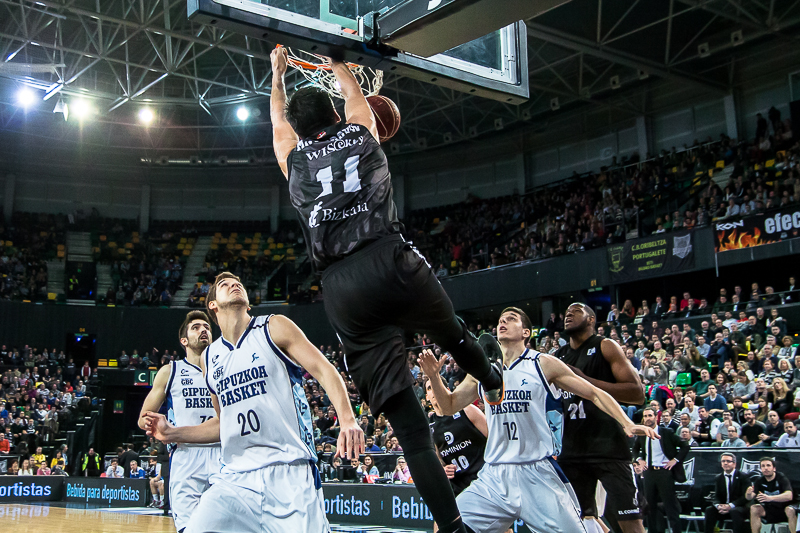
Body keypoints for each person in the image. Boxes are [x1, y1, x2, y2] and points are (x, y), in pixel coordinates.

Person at [269, 47, 502, 533]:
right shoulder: (360, 130)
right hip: (388, 255)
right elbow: (355, 99)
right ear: (335, 113)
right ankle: (491, 377)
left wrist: (277, 76)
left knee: (414, 435)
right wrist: (337, 62)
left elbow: (278, 126)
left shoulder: (293, 161)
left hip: (342, 286)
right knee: (452, 332)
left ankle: (453, 528)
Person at [144, 272, 364, 533]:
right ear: (213, 304)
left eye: (238, 283)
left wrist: (348, 419)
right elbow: (223, 423)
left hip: (289, 471)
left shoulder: (274, 327)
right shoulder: (210, 357)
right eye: (224, 285)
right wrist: (172, 433)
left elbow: (325, 370)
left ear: (248, 303)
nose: (234, 285)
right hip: (235, 478)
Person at [418, 306, 656, 533]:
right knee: (450, 526)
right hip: (495, 475)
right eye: (501, 319)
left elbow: (593, 392)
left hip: (536, 473)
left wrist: (627, 422)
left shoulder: (542, 363)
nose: (503, 321)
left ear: (525, 333)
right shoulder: (482, 369)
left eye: (511, 318)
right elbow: (449, 405)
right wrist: (434, 377)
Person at [555, 302, 646, 533]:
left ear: (591, 319)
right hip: (572, 449)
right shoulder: (558, 356)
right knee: (579, 523)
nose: (569, 314)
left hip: (608, 446)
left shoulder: (605, 346)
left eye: (575, 311)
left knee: (630, 523)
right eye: (566, 312)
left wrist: (584, 380)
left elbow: (637, 394)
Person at [138, 310, 221, 533]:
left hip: (224, 451)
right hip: (187, 453)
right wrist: (151, 424)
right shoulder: (170, 371)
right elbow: (143, 417)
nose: (203, 330)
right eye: (196, 327)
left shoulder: (224, 367)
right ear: (184, 340)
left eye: (207, 327)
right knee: (188, 527)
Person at [423, 373, 488, 496]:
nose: (434, 391)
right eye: (429, 388)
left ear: (447, 390)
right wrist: (443, 469)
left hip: (484, 481)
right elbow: (439, 459)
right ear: (427, 397)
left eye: (437, 385)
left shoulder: (466, 410)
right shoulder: (431, 426)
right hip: (459, 489)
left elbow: (493, 438)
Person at [634, 408, 689, 533]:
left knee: (670, 506)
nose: (648, 418)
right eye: (645, 416)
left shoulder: (666, 432)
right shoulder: (642, 433)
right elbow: (635, 449)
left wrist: (675, 460)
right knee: (649, 507)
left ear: (656, 417)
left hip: (664, 472)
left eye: (650, 415)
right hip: (649, 473)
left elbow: (685, 446)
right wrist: (639, 459)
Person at [742, 457, 796, 533]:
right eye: (763, 466)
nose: (765, 468)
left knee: (790, 510)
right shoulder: (759, 480)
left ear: (774, 468)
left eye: (768, 465)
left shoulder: (781, 478)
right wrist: (748, 493)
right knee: (754, 508)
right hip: (768, 510)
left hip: (783, 509)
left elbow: (789, 495)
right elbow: (750, 497)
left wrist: (770, 498)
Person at [704, 452, 749, 533]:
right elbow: (716, 496)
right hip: (723, 508)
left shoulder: (743, 476)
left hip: (739, 507)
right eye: (723, 461)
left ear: (734, 464)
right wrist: (718, 506)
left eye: (728, 461)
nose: (725, 463)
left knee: (735, 511)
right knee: (709, 510)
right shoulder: (718, 477)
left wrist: (730, 506)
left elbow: (745, 497)